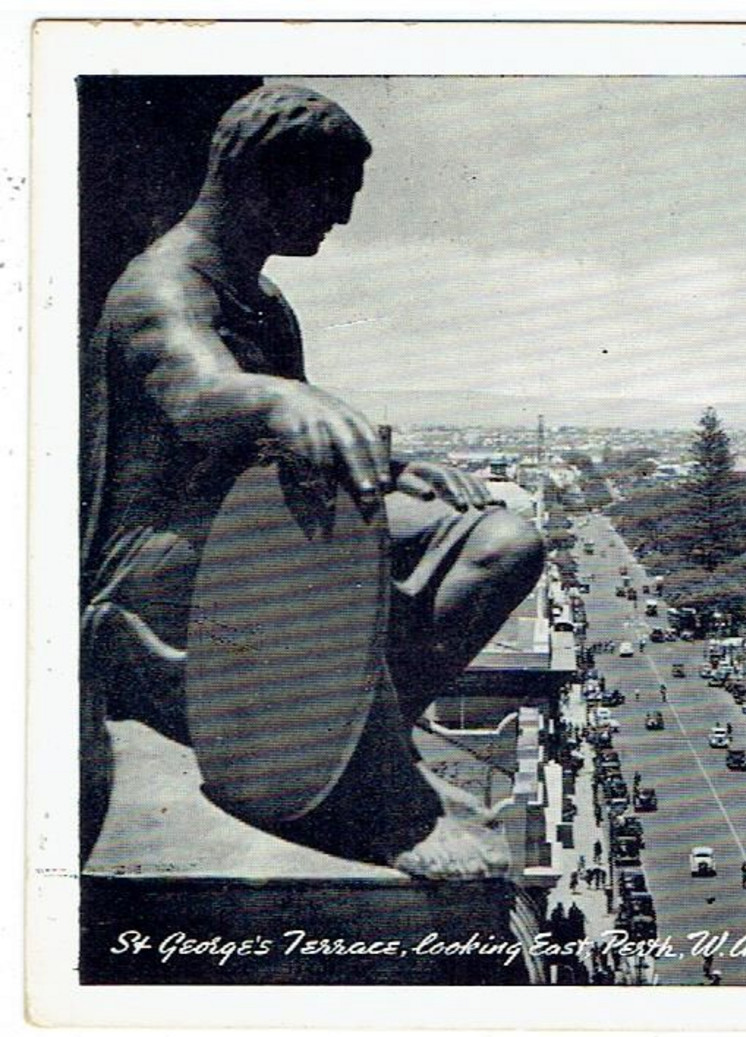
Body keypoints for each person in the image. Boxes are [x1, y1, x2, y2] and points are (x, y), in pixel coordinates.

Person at [79, 84, 546, 877]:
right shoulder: (159, 289)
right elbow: (197, 395)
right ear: (262, 176)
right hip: (151, 577)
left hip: (244, 545)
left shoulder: (265, 303)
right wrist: (280, 396)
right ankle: (369, 802)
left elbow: (283, 453)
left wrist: (397, 466)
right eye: (331, 190)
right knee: (333, 519)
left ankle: (347, 751)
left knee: (504, 541)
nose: (342, 216)